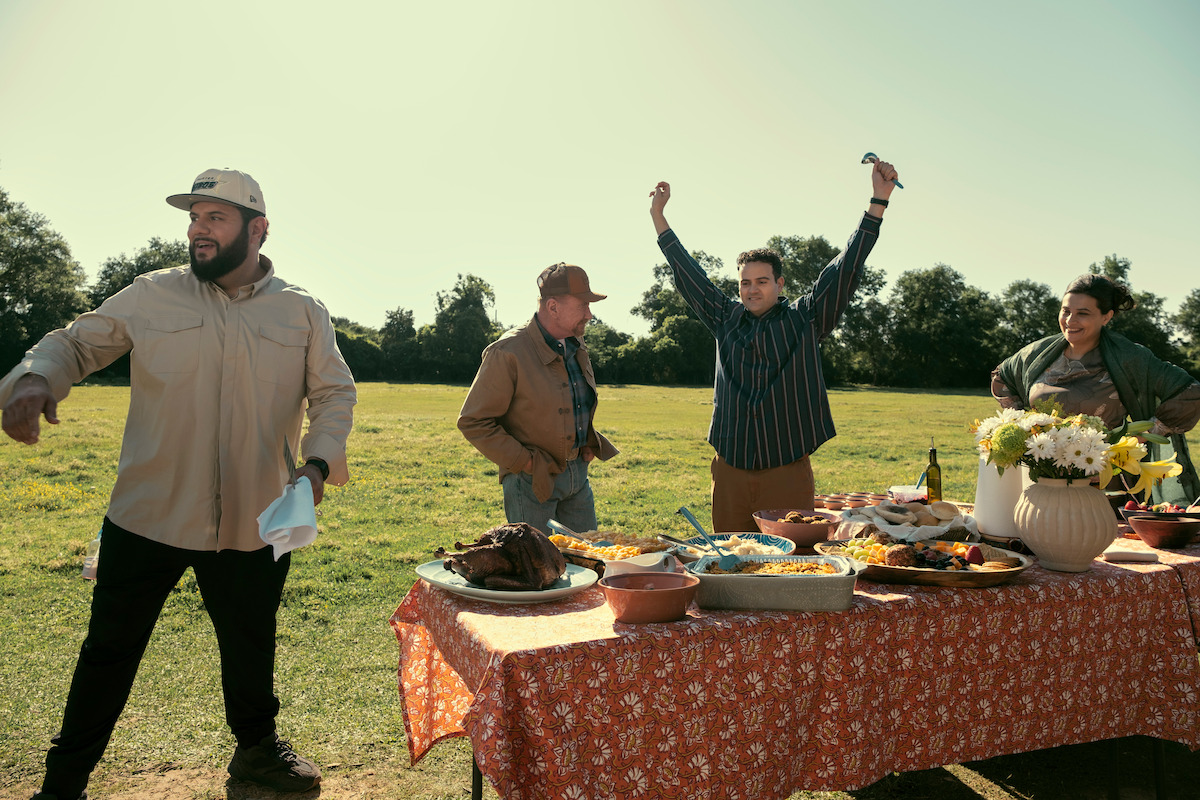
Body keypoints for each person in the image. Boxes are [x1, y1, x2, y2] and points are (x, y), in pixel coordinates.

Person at [0, 168, 357, 799]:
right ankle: (63, 784)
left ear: (258, 227)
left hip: (256, 517)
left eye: (215, 217)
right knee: (108, 652)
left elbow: (333, 393)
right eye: (194, 218)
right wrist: (35, 378)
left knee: (251, 647)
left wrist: (317, 464)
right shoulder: (149, 295)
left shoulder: (302, 311)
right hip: (146, 516)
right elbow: (74, 345)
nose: (198, 229)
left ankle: (256, 756)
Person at [648, 161, 899, 532]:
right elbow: (688, 273)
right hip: (730, 467)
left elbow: (846, 267)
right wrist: (659, 217)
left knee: (787, 567)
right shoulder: (725, 318)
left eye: (762, 281)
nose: (752, 289)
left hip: (785, 468)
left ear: (780, 283)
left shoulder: (805, 318)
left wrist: (878, 201)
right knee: (731, 561)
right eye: (745, 282)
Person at [992, 273, 1200, 506]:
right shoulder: (1036, 354)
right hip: (1043, 482)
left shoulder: (1132, 358)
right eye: (1066, 310)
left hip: (1102, 488)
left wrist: (1144, 434)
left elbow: (1190, 392)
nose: (1070, 320)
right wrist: (1022, 425)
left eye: (1083, 313)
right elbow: (1003, 376)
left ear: (1106, 317)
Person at [458, 263, 618, 535]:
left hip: (578, 477)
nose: (590, 315)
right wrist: (526, 463)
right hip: (532, 482)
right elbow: (474, 421)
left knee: (590, 563)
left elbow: (570, 402)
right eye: (582, 305)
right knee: (539, 570)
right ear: (553, 307)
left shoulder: (576, 344)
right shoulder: (507, 352)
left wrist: (585, 440)